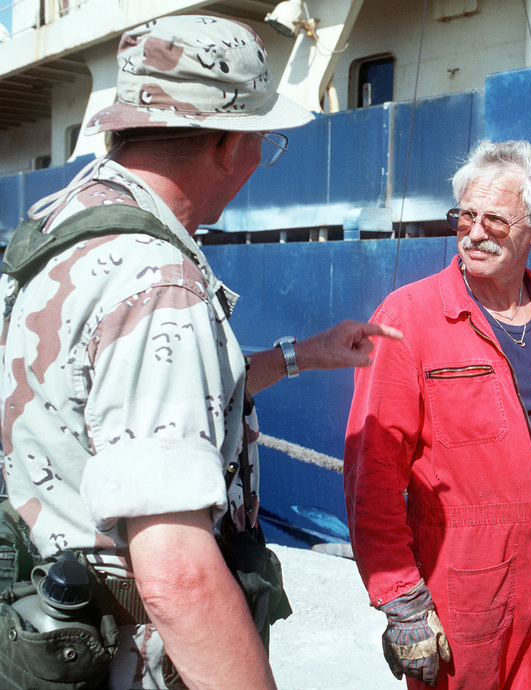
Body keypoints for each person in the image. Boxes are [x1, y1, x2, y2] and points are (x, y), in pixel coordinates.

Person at [0, 15, 400, 690]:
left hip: (41, 628)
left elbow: (108, 396)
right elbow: (177, 574)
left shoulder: (60, 220)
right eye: (259, 143)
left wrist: (302, 355)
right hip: (127, 660)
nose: (255, 163)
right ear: (226, 143)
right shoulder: (158, 281)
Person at [344, 139, 531, 689]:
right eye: (465, 216)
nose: (473, 233)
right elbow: (372, 473)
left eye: (494, 221)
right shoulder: (409, 317)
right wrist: (401, 600)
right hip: (459, 593)